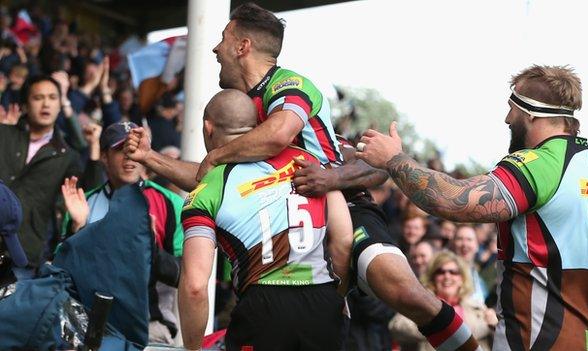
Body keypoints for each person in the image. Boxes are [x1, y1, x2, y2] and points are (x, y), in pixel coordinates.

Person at [125, 4, 480, 350]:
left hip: (345, 209)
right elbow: (212, 183)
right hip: (290, 233)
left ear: (242, 46)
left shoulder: (288, 86)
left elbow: (285, 138)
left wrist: (218, 154)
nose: (215, 48)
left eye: (222, 38)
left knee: (404, 292)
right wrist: (149, 158)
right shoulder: (243, 119)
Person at [357, 65, 588, 350]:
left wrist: (394, 160)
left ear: (531, 112)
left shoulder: (540, 165)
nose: (507, 118)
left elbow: (453, 201)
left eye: (512, 108)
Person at [178, 89, 352, 350]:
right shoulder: (310, 162)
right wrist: (333, 299)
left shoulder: (207, 188)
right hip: (322, 304)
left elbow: (194, 286)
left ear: (207, 128)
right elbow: (344, 241)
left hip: (262, 307)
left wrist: (191, 348)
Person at [61, 121, 184, 345]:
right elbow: (63, 274)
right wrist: (78, 229)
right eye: (120, 149)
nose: (130, 156)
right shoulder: (83, 203)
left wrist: (149, 249)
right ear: (104, 157)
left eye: (134, 148)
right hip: (89, 324)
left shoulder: (170, 203)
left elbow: (184, 274)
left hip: (151, 326)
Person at [0, 74, 93, 279]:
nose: (46, 104)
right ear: (24, 104)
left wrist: (94, 151)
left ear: (60, 105)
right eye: (38, 97)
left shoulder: (67, 155)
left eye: (52, 97)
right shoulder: (3, 134)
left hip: (25, 252)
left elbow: (87, 192)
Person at [389, 251, 497, 351]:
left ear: (461, 278)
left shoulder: (478, 307)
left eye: (453, 272)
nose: (447, 276)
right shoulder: (419, 304)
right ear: (432, 278)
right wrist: (435, 326)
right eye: (440, 272)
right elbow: (396, 327)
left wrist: (494, 326)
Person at [451, 225, 487, 304]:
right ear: (453, 244)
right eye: (460, 239)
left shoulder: (476, 274)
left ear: (477, 246)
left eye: (469, 239)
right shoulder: (447, 272)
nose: (464, 244)